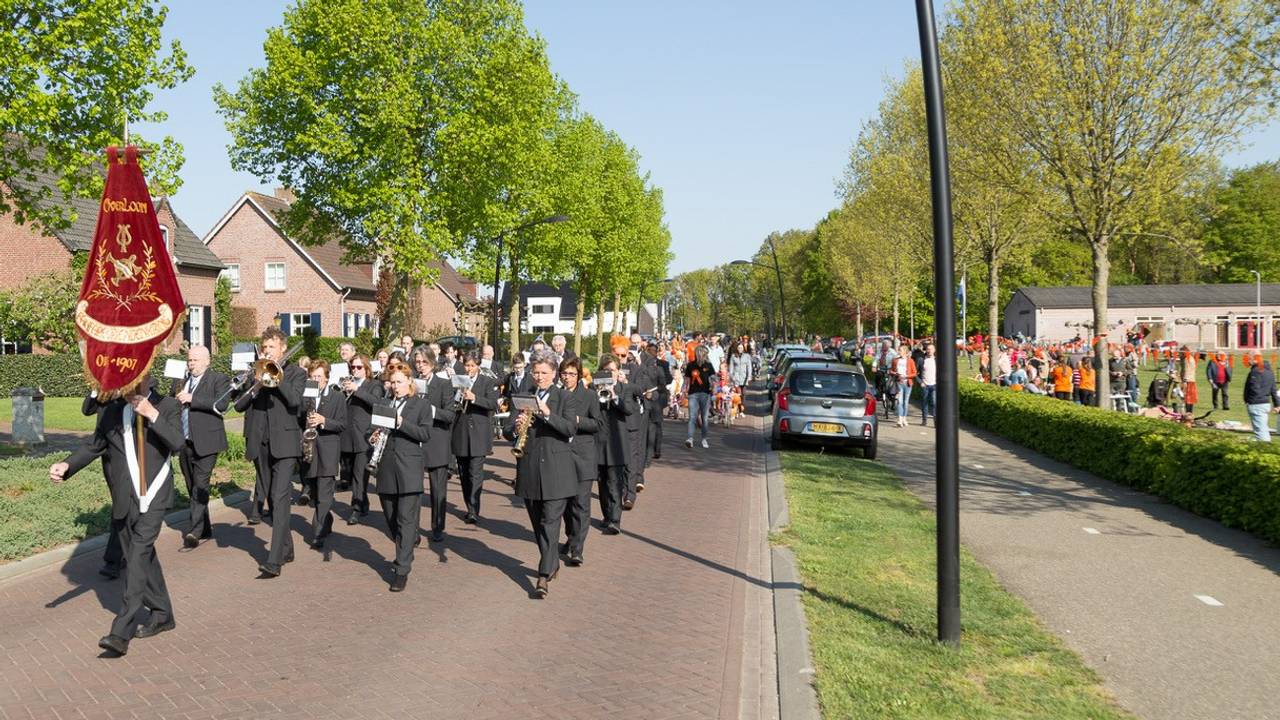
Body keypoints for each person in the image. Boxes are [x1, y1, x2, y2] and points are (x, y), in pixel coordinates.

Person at [49, 378, 184, 656]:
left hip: (154, 494)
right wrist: (67, 464)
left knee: (136, 556)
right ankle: (162, 613)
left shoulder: (167, 405)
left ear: (147, 375)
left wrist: (151, 414)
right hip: (124, 497)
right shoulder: (112, 409)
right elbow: (94, 445)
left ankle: (120, 631)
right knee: (144, 556)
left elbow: (177, 443)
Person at [234, 327, 306, 577]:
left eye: (271, 348)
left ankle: (274, 560)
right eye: (264, 348)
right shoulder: (256, 373)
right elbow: (239, 405)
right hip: (261, 443)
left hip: (285, 444)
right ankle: (287, 548)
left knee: (280, 495)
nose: (267, 352)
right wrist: (255, 385)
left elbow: (296, 401)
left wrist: (276, 377)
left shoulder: (296, 372)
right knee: (274, 500)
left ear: (283, 348)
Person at [504, 352, 577, 598]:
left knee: (550, 522)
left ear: (554, 373)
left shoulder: (564, 397)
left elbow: (569, 428)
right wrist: (515, 426)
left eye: (544, 373)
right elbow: (506, 430)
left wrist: (546, 413)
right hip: (530, 468)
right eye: (536, 372)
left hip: (557, 471)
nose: (539, 377)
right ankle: (552, 560)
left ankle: (543, 575)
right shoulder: (525, 397)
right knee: (538, 524)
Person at [372, 362, 432, 591]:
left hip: (409, 467)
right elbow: (372, 429)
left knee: (405, 520)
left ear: (409, 382)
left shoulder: (421, 405)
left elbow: (425, 434)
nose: (395, 386)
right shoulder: (384, 403)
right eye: (393, 382)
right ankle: (408, 542)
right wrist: (373, 436)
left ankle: (402, 567)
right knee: (391, 518)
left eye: (399, 382)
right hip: (386, 467)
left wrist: (401, 423)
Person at [171, 345, 231, 549]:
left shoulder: (218, 379)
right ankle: (205, 527)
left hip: (207, 442)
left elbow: (221, 404)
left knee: (200, 485)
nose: (191, 364)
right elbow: (173, 404)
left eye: (195, 360)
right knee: (191, 487)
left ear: (207, 360)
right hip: (186, 442)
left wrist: (192, 399)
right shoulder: (183, 381)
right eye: (189, 360)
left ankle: (194, 532)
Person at [449, 351, 499, 538]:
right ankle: (468, 503)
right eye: (466, 366)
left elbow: (493, 404)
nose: (469, 369)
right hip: (461, 432)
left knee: (475, 472)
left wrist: (474, 398)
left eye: (472, 366)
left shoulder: (487, 382)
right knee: (463, 473)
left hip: (478, 433)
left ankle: (473, 508)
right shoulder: (459, 380)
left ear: (478, 365)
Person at [558, 356, 601, 566]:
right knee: (565, 504)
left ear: (579, 375)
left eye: (572, 374)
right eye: (564, 374)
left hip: (583, 455)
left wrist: (576, 420)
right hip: (561, 456)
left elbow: (597, 424)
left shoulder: (590, 396)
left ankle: (577, 549)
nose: (567, 378)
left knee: (581, 504)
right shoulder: (555, 395)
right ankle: (571, 536)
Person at [412, 348, 459, 535]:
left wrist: (429, 410)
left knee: (438, 490)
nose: (420, 366)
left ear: (432, 363)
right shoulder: (411, 384)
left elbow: (449, 415)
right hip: (414, 441)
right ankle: (412, 529)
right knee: (413, 490)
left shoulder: (443, 384)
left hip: (436, 441)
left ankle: (438, 527)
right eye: (417, 362)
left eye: (424, 362)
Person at [301, 361, 346, 549]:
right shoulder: (307, 395)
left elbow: (342, 424)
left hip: (328, 448)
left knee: (325, 491)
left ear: (327, 377)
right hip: (310, 447)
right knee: (316, 491)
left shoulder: (337, 397)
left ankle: (318, 532)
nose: (315, 380)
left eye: (319, 376)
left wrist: (323, 420)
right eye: (312, 376)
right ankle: (326, 519)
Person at [81, 391, 123, 577]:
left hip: (129, 454)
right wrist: (96, 389)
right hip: (107, 454)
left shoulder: (133, 378)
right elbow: (87, 409)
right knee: (120, 504)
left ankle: (119, 557)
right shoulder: (103, 387)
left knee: (126, 506)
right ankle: (119, 556)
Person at [594, 354, 634, 535]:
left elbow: (629, 409)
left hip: (616, 443)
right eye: (606, 370)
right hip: (599, 442)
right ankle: (607, 515)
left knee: (614, 483)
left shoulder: (624, 389)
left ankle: (615, 520)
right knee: (602, 483)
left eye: (612, 370)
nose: (609, 373)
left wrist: (614, 396)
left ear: (618, 372)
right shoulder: (594, 388)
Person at [340, 354, 381, 525]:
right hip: (347, 435)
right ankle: (363, 501)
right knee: (349, 472)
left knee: (359, 474)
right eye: (353, 367)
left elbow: (377, 403)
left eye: (358, 367)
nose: (355, 370)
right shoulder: (346, 383)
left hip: (364, 435)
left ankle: (356, 507)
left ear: (366, 369)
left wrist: (358, 390)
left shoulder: (374, 385)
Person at [684, 345, 716, 448]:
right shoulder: (690, 365)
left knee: (704, 418)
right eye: (699, 353)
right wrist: (684, 389)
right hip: (693, 393)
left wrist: (713, 386)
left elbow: (714, 379)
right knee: (692, 417)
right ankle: (690, 438)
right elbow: (687, 379)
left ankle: (704, 438)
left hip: (705, 393)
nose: (702, 355)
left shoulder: (709, 365)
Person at [1243, 353, 1280, 442]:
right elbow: (1273, 389)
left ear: (1254, 359)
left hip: (1256, 404)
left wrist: (1249, 401)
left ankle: (1264, 449)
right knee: (1263, 429)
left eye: (1248, 358)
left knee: (1261, 434)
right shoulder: (1269, 371)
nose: (1247, 361)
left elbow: (1253, 387)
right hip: (1265, 403)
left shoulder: (1255, 371)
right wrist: (1277, 405)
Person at [646, 343, 672, 461]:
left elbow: (668, 379)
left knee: (657, 424)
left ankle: (657, 450)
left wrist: (657, 387)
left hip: (658, 398)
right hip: (645, 397)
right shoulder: (642, 364)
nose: (651, 353)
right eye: (649, 350)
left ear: (656, 352)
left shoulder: (663, 364)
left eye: (653, 351)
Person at [891, 343, 916, 427]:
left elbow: (914, 373)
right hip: (899, 383)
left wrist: (906, 376)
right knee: (900, 401)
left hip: (908, 383)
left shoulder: (910, 361)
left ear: (905, 351)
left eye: (900, 350)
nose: (899, 351)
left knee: (906, 402)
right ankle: (900, 419)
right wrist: (896, 373)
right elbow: (891, 371)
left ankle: (904, 418)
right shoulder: (895, 360)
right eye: (899, 350)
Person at [919, 343, 938, 426]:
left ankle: (935, 420)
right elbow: (916, 373)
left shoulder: (937, 360)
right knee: (924, 402)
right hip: (925, 385)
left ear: (934, 350)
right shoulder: (922, 360)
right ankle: (924, 420)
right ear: (926, 350)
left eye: (931, 349)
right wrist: (920, 382)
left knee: (934, 403)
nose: (929, 351)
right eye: (928, 349)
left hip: (934, 384)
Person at [1179, 347, 1199, 414]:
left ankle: (1187, 412)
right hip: (1192, 380)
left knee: (1187, 397)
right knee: (1191, 398)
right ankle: (1190, 412)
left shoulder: (1187, 359)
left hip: (1188, 381)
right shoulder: (1191, 357)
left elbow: (1186, 370)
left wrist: (1184, 381)